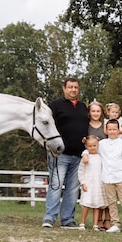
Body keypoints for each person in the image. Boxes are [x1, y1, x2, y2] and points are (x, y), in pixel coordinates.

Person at [42, 78, 89, 229]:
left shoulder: (83, 107)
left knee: (73, 189)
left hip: (79, 155)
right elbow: (45, 125)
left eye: (76, 87)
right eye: (70, 87)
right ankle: (49, 218)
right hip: (59, 155)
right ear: (64, 88)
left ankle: (67, 220)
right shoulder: (55, 106)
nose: (73, 90)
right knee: (55, 186)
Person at [87, 100, 111, 230]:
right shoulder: (86, 126)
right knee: (97, 191)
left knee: (107, 191)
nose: (95, 113)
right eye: (93, 111)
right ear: (89, 113)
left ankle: (108, 219)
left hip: (105, 161)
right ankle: (98, 220)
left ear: (102, 112)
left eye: (98, 111)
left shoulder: (105, 125)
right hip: (92, 163)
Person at [77, 135, 106, 231]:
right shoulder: (85, 157)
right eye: (90, 146)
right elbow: (81, 171)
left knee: (96, 205)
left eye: (94, 145)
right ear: (86, 146)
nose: (92, 148)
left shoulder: (100, 157)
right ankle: (82, 223)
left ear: (98, 145)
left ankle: (95, 224)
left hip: (98, 185)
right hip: (88, 184)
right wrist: (83, 183)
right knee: (86, 204)